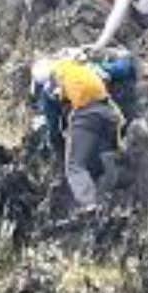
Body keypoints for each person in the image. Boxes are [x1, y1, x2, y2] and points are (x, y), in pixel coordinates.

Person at [31, 53, 134, 211]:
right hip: (110, 114)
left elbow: (53, 127)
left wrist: (56, 144)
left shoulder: (49, 88)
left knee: (75, 167)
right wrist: (125, 59)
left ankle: (90, 206)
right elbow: (122, 69)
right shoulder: (83, 67)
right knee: (104, 158)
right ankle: (123, 185)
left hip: (85, 118)